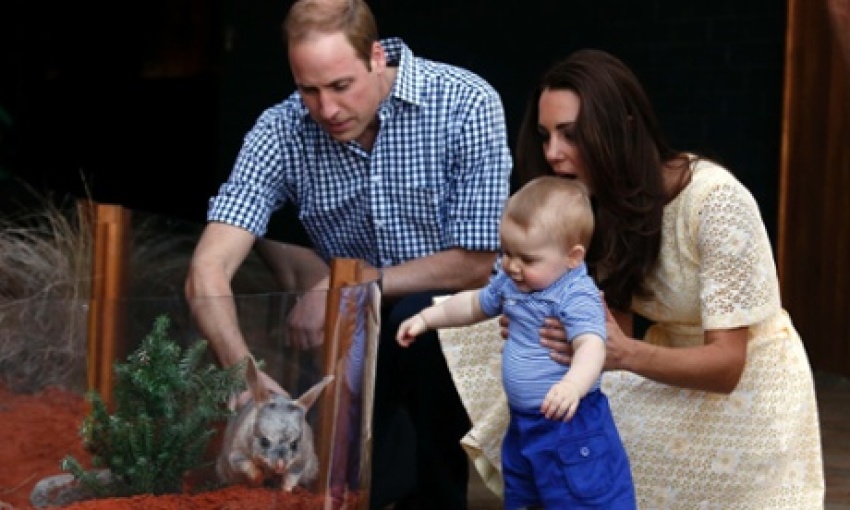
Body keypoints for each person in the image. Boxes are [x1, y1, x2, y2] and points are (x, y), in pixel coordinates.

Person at [445, 48, 825, 508]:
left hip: (747, 390)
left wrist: (620, 353)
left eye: (570, 134)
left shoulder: (716, 200)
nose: (552, 153)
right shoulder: (600, 206)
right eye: (546, 136)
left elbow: (727, 367)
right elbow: (612, 332)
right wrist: (549, 330)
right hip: (661, 369)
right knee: (486, 340)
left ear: (622, 126)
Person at [183, 0, 513, 508]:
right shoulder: (280, 130)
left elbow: (476, 260)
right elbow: (208, 268)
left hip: (458, 330)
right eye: (308, 90)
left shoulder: (465, 101)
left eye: (341, 86)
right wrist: (242, 373)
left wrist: (346, 283)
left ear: (377, 57)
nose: (327, 109)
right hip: (349, 337)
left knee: (414, 319)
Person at [396, 176, 636, 510]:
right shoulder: (511, 282)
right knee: (525, 497)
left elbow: (591, 346)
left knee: (580, 499)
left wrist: (572, 385)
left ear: (573, 257)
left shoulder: (574, 294)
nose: (513, 266)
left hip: (571, 426)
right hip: (524, 424)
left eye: (528, 259)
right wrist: (427, 318)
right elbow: (472, 304)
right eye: (507, 253)